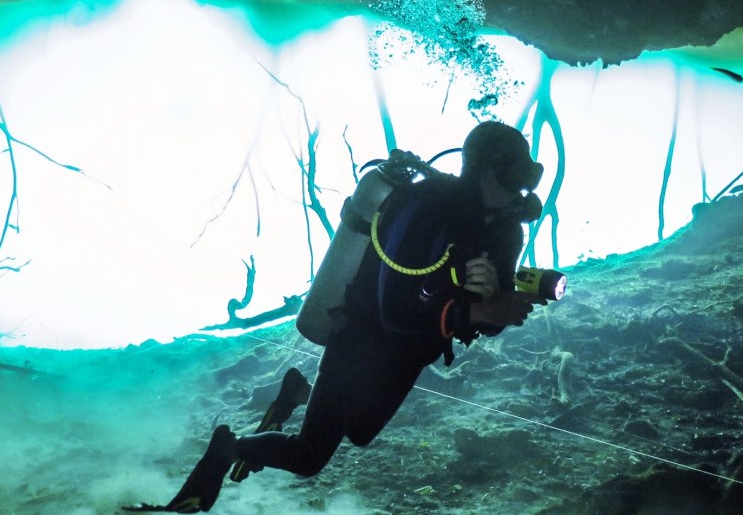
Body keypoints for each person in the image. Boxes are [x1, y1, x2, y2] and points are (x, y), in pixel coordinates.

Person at [131, 121, 546, 513]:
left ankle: (299, 394)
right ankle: (229, 447)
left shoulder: (506, 232)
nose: (520, 191)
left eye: (527, 177)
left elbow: (488, 318)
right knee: (309, 456)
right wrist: (475, 308)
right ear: (478, 172)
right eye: (511, 177)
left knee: (361, 431)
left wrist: (493, 304)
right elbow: (394, 309)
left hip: (415, 348)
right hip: (362, 338)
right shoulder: (424, 211)